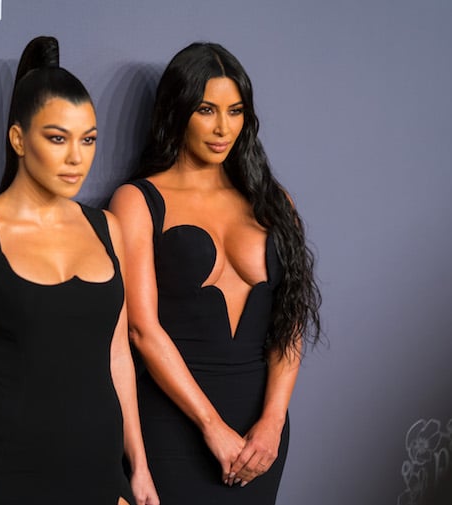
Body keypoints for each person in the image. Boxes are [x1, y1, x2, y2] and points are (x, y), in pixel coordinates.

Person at [0, 36, 158, 505]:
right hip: (1, 469)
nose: (77, 157)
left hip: (95, 468)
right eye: (57, 138)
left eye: (89, 139)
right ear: (19, 138)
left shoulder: (108, 230)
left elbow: (118, 358)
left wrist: (138, 468)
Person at [109, 42, 321, 504]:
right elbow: (142, 331)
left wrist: (273, 422)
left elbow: (290, 320)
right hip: (173, 426)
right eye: (207, 110)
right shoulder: (138, 201)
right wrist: (212, 427)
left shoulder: (273, 202)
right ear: (178, 110)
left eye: (235, 110)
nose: (223, 127)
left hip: (259, 437)